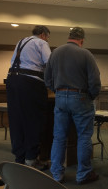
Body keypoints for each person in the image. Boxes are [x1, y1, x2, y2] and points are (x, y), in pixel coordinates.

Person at [44, 27, 101, 185]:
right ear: (81, 40)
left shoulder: (55, 52)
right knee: (83, 136)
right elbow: (95, 81)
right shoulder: (85, 54)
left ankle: (56, 174)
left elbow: (47, 77)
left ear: (69, 37)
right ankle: (83, 174)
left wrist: (57, 90)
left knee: (59, 137)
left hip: (60, 97)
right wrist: (91, 95)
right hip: (80, 98)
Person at [6, 25, 51, 170]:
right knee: (33, 119)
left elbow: (13, 61)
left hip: (12, 82)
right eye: (48, 37)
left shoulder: (21, 41)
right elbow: (49, 64)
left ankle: (19, 157)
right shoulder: (41, 43)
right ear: (43, 34)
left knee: (16, 120)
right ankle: (31, 159)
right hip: (30, 84)